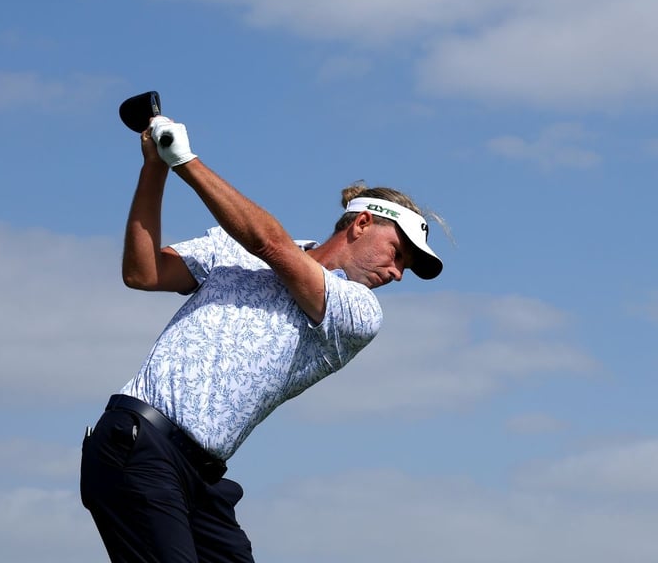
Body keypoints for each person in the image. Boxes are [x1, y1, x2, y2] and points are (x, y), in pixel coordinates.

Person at [80, 115, 442, 562]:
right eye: (397, 253)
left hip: (201, 479)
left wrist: (184, 161)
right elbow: (143, 272)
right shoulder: (232, 245)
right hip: (139, 446)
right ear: (362, 223)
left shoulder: (358, 312)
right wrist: (154, 166)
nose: (397, 273)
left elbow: (271, 246)